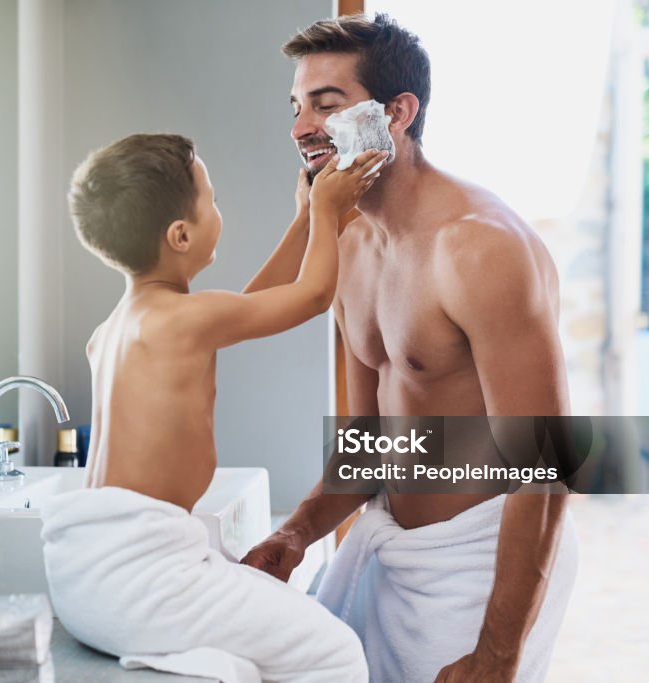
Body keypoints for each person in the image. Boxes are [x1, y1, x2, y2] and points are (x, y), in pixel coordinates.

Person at [241, 14, 579, 683]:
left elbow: (549, 465)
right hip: (390, 550)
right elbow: (373, 443)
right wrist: (298, 531)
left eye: (327, 104)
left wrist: (497, 655)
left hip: (478, 569)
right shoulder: (348, 241)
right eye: (298, 106)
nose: (301, 127)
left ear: (397, 112)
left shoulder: (479, 247)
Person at [41, 132, 386, 682]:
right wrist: (327, 207)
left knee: (258, 641)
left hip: (87, 575)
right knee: (335, 654)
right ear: (181, 235)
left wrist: (304, 221)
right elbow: (314, 296)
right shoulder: (186, 319)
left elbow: (248, 308)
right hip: (143, 577)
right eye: (212, 199)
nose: (218, 210)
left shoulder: (117, 329)